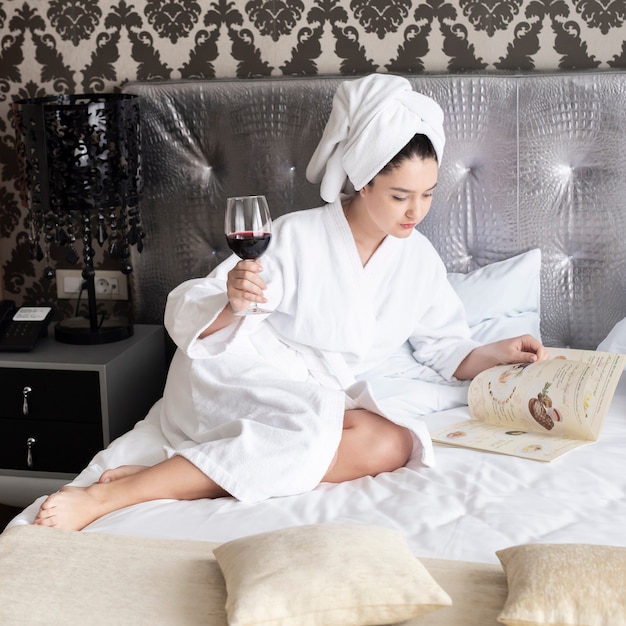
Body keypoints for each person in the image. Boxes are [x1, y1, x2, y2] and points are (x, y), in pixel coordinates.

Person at [34, 73, 548, 530]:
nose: (417, 211)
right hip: (242, 369)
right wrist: (233, 298)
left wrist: (497, 353)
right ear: (364, 182)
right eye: (400, 195)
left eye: (429, 194)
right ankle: (114, 495)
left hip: (312, 394)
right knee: (312, 430)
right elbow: (194, 306)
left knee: (392, 442)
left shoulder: (417, 258)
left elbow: (445, 348)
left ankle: (187, 473)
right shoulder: (296, 236)